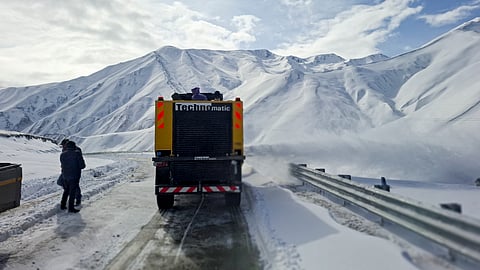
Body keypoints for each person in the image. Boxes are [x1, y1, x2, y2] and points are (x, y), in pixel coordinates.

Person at [60, 141, 86, 213]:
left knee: (66, 190)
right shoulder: (77, 153)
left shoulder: (62, 154)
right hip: (74, 175)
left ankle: (63, 205)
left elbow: (62, 165)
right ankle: (71, 208)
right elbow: (82, 166)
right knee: (72, 191)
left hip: (65, 175)